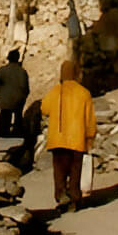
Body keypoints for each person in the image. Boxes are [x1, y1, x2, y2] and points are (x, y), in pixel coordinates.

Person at [40, 59, 95, 212]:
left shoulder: (55, 91)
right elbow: (89, 120)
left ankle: (61, 196)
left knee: (59, 171)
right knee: (75, 171)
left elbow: (44, 108)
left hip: (57, 139)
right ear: (77, 73)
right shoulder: (84, 93)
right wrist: (90, 138)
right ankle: (74, 199)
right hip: (77, 139)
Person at [0, 49, 30, 140]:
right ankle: (17, 135)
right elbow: (25, 87)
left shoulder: (1, 70)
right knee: (18, 117)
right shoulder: (22, 71)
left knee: (4, 118)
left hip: (4, 101)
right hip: (18, 100)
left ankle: (3, 137)